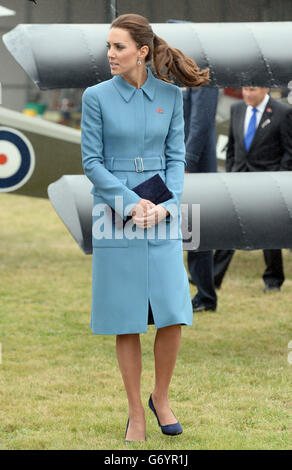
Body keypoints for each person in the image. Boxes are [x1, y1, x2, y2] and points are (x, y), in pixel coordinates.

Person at [81, 13, 210, 442]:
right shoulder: (95, 97)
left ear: (142, 51)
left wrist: (168, 205)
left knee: (173, 312)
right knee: (127, 317)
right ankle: (136, 412)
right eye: (108, 47)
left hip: (163, 215)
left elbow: (177, 158)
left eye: (118, 47)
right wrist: (129, 202)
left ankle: (162, 397)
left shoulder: (170, 97)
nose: (110, 55)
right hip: (115, 214)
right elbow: (92, 163)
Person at [214, 86, 292, 292]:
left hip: (268, 184)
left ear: (265, 88)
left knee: (270, 233)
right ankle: (214, 277)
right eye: (245, 90)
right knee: (229, 228)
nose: (247, 94)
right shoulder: (237, 109)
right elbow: (232, 147)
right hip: (239, 180)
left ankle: (273, 281)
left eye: (252, 89)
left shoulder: (282, 112)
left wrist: (279, 179)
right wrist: (231, 173)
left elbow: (288, 152)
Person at [183, 86, 219, 311]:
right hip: (187, 161)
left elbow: (201, 122)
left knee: (198, 232)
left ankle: (206, 296)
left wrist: (188, 161)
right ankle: (202, 292)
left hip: (196, 166)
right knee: (190, 231)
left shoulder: (204, 75)